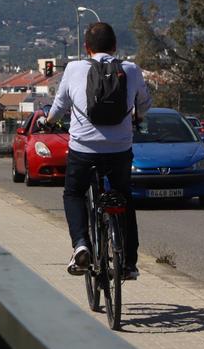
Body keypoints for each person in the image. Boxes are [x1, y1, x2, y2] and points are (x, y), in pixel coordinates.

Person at [42, 22, 152, 280]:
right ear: (115, 47)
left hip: (83, 150)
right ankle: (129, 263)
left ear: (86, 48)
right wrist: (136, 115)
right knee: (124, 196)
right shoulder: (131, 70)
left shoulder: (73, 68)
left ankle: (81, 245)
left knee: (73, 193)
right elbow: (144, 104)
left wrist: (48, 121)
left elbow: (59, 106)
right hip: (119, 149)